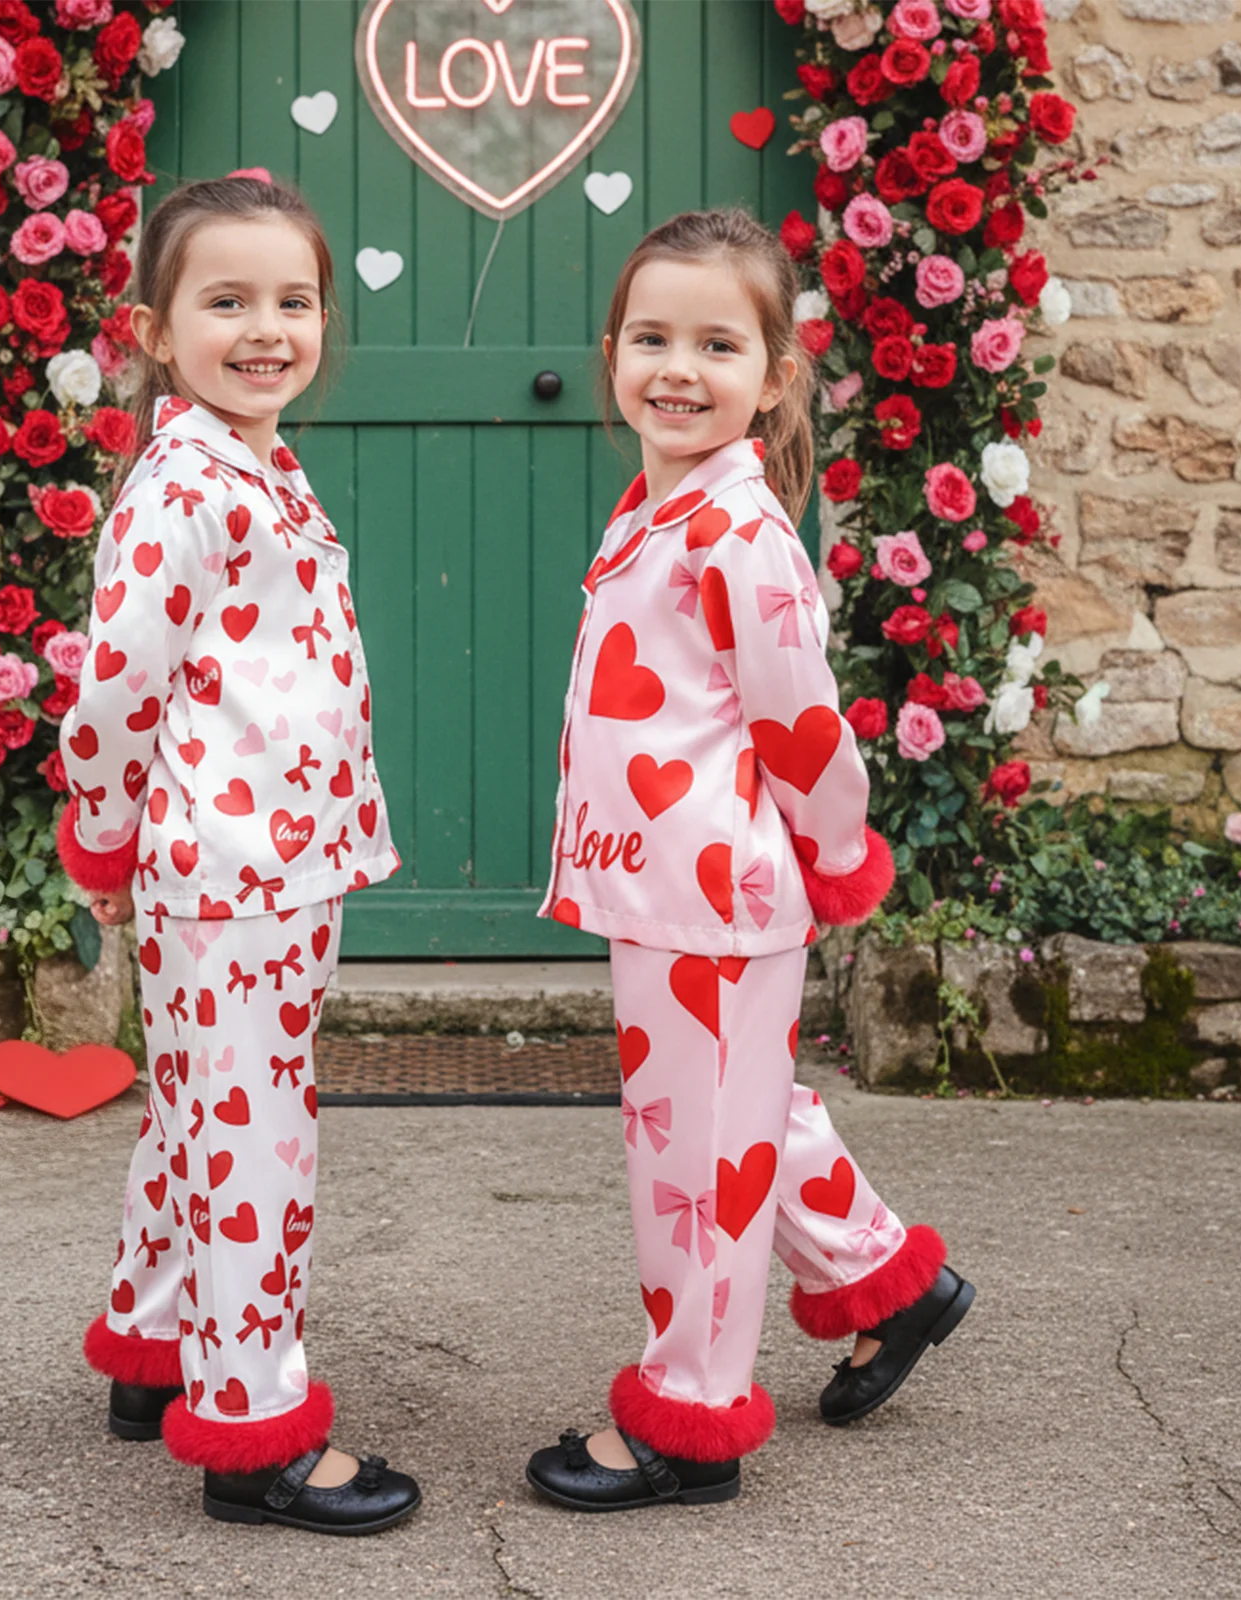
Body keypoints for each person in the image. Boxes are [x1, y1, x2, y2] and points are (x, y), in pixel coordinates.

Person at [525, 207, 974, 1514]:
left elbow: (802, 725)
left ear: (774, 377)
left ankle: (693, 1417)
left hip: (711, 895)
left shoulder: (739, 537)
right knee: (743, 1116)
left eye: (716, 343)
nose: (678, 367)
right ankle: (889, 1278)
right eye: (652, 336)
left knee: (695, 1166)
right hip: (666, 882)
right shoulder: (657, 512)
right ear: (611, 351)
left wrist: (839, 853)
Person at [55, 173, 419, 1536]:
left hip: (276, 855)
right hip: (228, 866)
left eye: (293, 301)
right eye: (227, 302)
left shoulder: (250, 459)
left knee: (200, 1108)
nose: (266, 329)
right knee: (255, 1131)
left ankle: (156, 1352)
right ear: (155, 330)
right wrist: (98, 826)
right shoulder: (185, 488)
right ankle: (254, 1426)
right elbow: (115, 686)